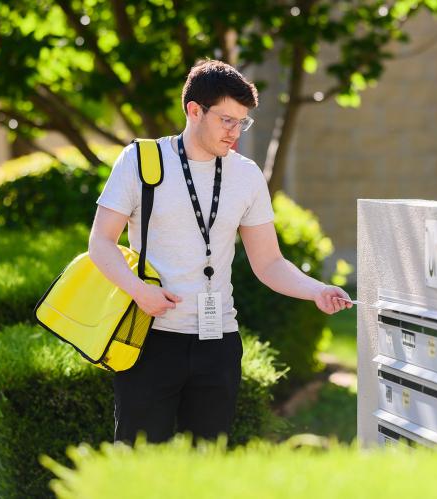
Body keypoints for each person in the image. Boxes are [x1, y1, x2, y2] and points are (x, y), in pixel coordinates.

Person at [88, 59, 352, 445]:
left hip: (219, 343)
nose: (235, 132)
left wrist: (317, 290)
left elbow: (269, 262)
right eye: (227, 120)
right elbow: (100, 242)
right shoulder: (141, 162)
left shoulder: (246, 175)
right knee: (141, 462)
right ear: (194, 110)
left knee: (209, 464)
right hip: (149, 338)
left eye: (242, 122)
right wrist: (140, 292)